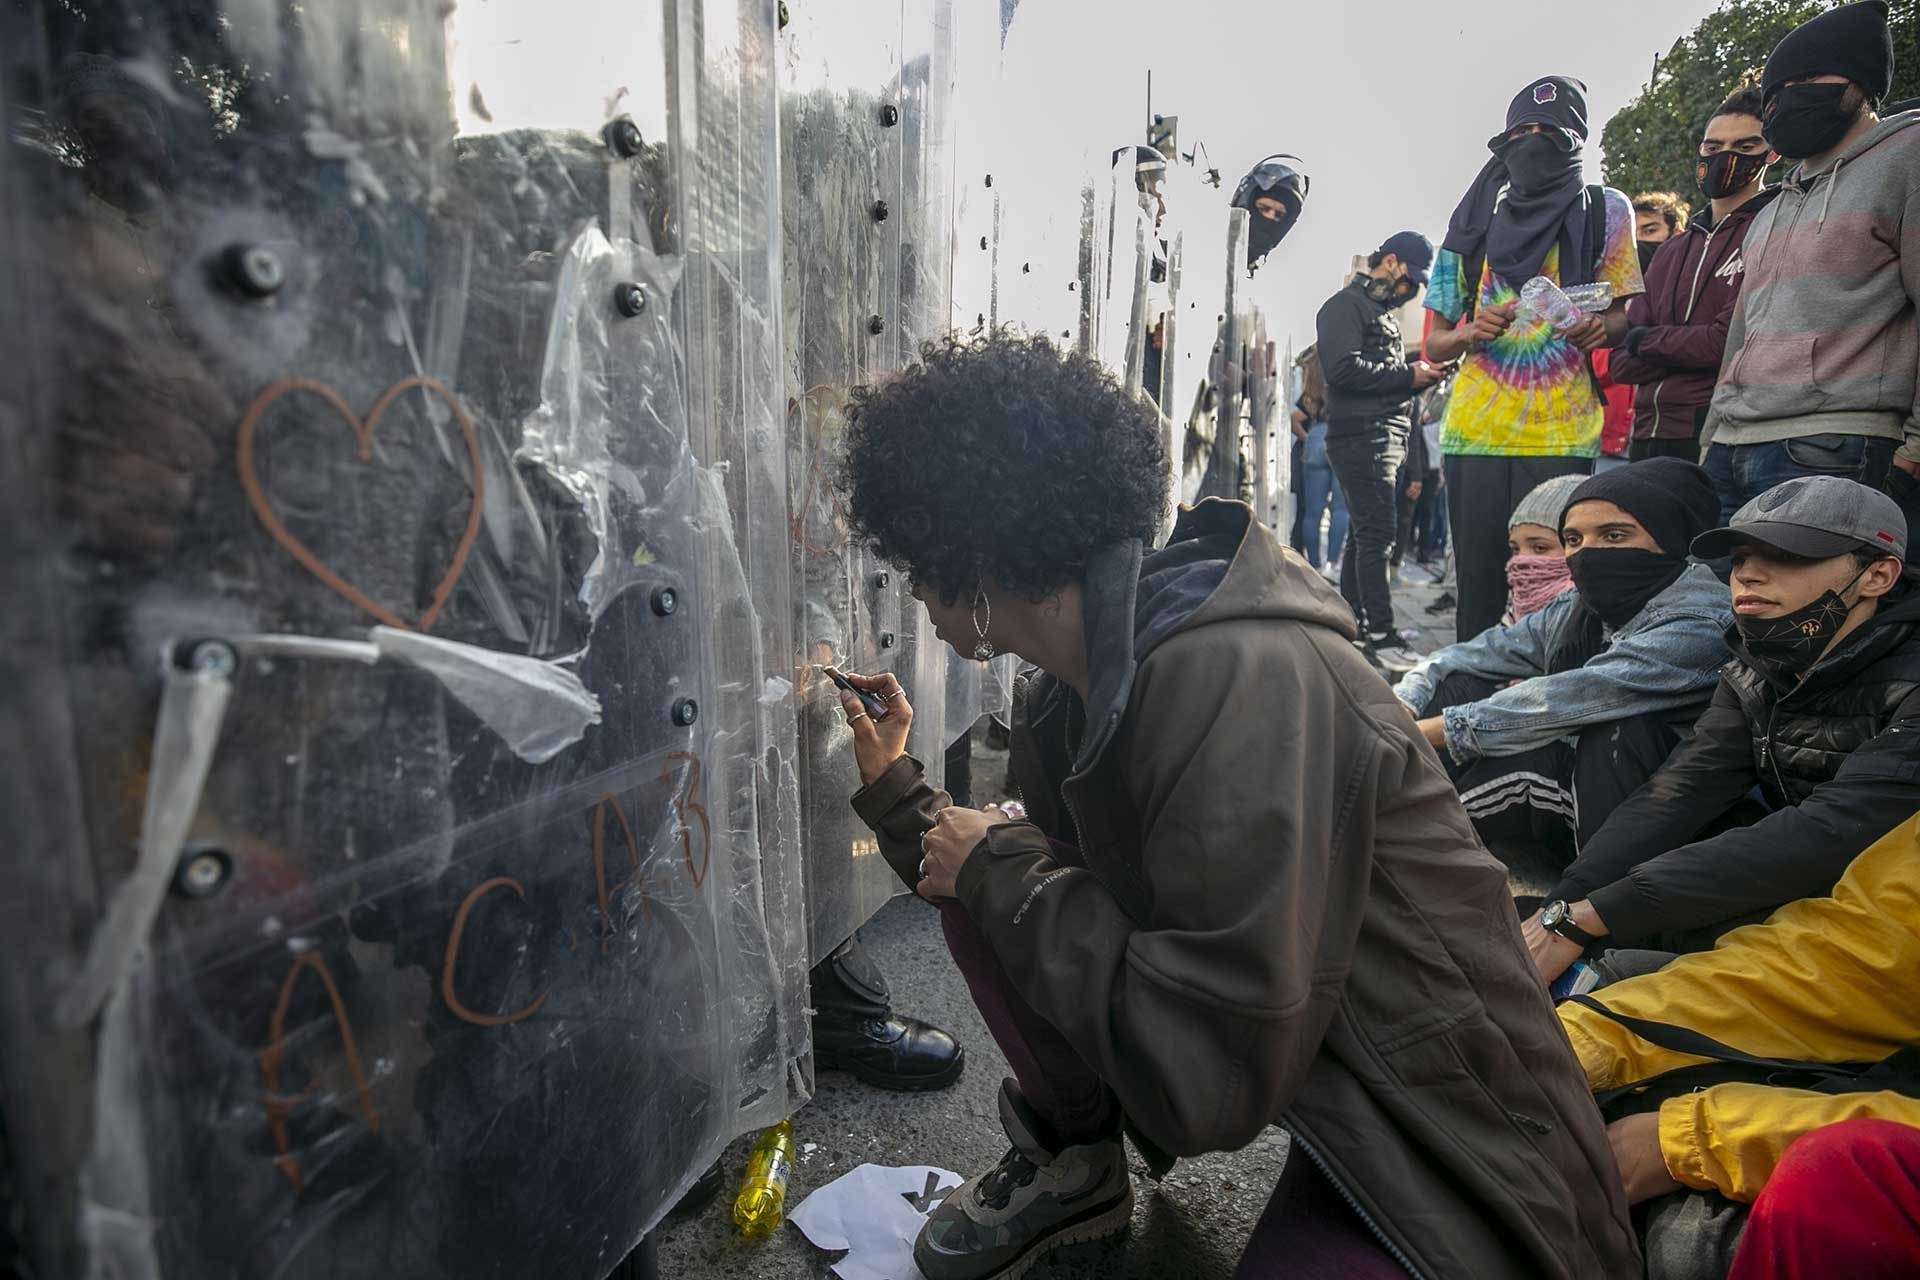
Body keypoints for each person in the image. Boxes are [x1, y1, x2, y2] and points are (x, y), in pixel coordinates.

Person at [829, 331, 1639, 1279]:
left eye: (915, 563)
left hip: (1445, 1128)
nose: (910, 589)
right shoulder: (1069, 683)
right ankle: (1076, 1167)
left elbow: (1208, 1079)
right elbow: (1035, 886)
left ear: (971, 567)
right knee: (984, 883)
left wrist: (1003, 867)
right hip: (1318, 1069)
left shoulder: (1235, 676)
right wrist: (899, 788)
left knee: (1001, 874)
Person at [1526, 476, 1920, 981]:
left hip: (1884, 901)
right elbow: (1687, 785)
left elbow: (1831, 830)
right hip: (1807, 866)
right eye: (1738, 558)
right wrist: (1564, 904)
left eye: (1789, 555)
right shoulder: (1759, 657)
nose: (1749, 575)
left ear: (1877, 576)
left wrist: (1595, 914)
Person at [1555, 812, 1920, 1280]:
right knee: (1603, 993)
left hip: (1875, 1151)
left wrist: (1698, 1137)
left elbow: (1825, 820)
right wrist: (1601, 1039)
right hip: (1875, 1064)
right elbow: (1858, 954)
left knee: (1692, 1247)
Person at [1393, 460, 1730, 882]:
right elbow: (1465, 655)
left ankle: (1409, 841)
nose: (1587, 552)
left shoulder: (1701, 622)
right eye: (1573, 538)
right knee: (1460, 684)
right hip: (1566, 787)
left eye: (1614, 535)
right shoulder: (1576, 609)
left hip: (1651, 823)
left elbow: (1566, 700)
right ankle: (1399, 823)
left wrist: (1413, 734)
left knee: (1611, 727)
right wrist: (1401, 705)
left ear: (1670, 538)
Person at [1424, 76, 1647, 642]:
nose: (1533, 141)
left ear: (1576, 140)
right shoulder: (1471, 221)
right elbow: (1435, 343)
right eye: (1520, 131)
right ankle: (1464, 713)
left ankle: (1547, 713)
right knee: (1478, 589)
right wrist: (1472, 330)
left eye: (1549, 131)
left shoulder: (1606, 210)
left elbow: (1626, 318)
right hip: (1475, 433)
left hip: (1561, 433)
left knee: (1558, 588)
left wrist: (1599, 327)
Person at [1698, 0, 1920, 521]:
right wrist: (1712, 440)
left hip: (1837, 444)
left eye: (1808, 79)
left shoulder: (1907, 157)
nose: (1782, 101)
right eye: (1774, 91)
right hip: (1733, 448)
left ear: (1860, 85)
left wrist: (1914, 450)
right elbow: (1741, 334)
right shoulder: (1774, 204)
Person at [1612, 81, 1780, 465]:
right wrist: (1661, 344)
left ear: (1772, 153)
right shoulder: (1673, 249)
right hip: (1646, 431)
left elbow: (1725, 344)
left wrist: (1643, 340)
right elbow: (1621, 362)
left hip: (1717, 434)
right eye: (1713, 147)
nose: (1725, 156)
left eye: (1745, 147)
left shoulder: (1774, 230)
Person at [1314, 230, 1445, 673]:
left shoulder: (1377, 311)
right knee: (1377, 536)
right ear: (1390, 262)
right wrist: (1409, 377)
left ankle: (1352, 625)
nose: (1412, 289)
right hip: (1361, 437)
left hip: (1380, 437)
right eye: (1410, 277)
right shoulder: (1344, 307)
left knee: (1364, 535)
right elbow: (1341, 369)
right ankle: (1381, 634)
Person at [1291, 348, 1348, 574]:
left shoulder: (1313, 383)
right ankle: (1332, 564)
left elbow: (1295, 418)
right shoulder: (1343, 376)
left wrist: (1307, 439)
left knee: (1312, 511)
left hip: (1316, 438)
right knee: (1340, 509)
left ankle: (1313, 564)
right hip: (1341, 437)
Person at [1501, 473, 1583, 625]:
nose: (1522, 560)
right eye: (1515, 549)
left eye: (1540, 548)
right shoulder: (1515, 612)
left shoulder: (1586, 618)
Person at [1229, 154, 1308, 271]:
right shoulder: (1208, 248)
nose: (1270, 216)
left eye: (1279, 214)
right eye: (1264, 208)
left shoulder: (1281, 270)